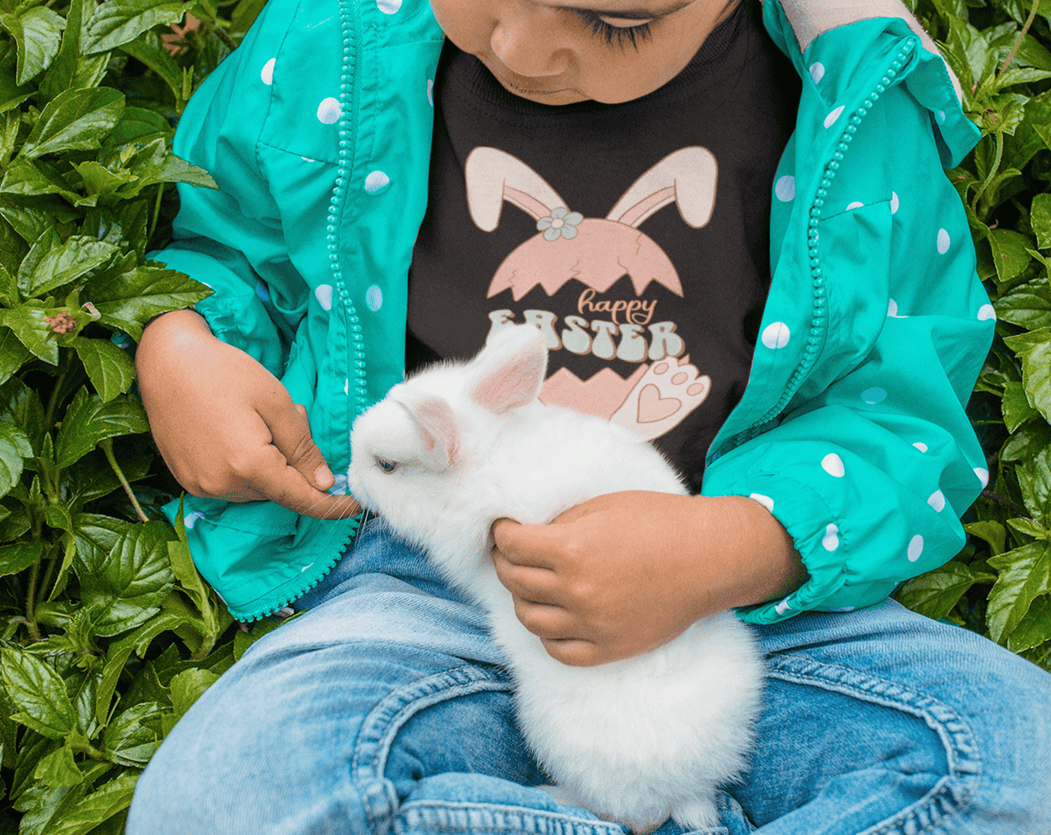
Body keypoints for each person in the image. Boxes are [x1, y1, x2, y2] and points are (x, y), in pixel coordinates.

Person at [127, 0, 1051, 831]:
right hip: (432, 593)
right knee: (223, 799)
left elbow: (906, 418)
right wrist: (185, 344)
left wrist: (738, 545)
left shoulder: (853, 102)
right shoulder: (331, 37)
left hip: (752, 627)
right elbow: (234, 245)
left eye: (615, 22)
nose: (522, 44)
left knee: (1022, 765)